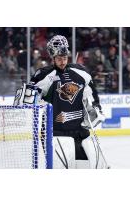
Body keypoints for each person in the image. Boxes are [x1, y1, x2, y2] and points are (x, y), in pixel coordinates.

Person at [14, 35, 105, 168]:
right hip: (54, 133)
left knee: (85, 168)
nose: (62, 61)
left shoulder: (81, 72)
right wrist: (27, 99)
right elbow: (27, 100)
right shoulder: (43, 75)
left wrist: (96, 107)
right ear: (53, 57)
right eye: (59, 58)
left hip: (79, 132)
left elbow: (93, 94)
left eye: (64, 58)